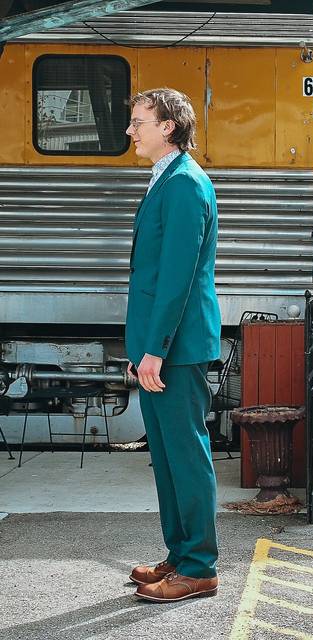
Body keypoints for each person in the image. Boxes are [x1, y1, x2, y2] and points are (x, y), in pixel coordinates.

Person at [123, 88, 222, 602]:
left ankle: (200, 565)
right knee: (164, 456)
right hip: (161, 344)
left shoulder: (184, 184)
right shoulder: (165, 178)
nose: (130, 130)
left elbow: (176, 276)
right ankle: (181, 554)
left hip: (176, 348)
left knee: (185, 454)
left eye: (139, 121)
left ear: (168, 126)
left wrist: (156, 348)